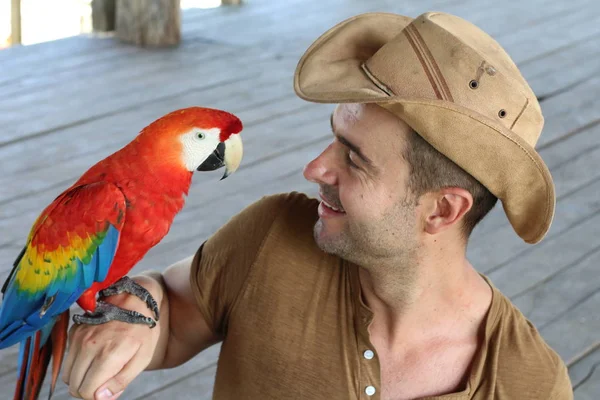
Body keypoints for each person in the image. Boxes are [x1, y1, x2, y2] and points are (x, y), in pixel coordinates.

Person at [62, 11, 573, 400]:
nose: (314, 169)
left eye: (355, 159)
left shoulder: (529, 381)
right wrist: (136, 317)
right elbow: (174, 308)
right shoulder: (271, 235)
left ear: (442, 211)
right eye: (334, 138)